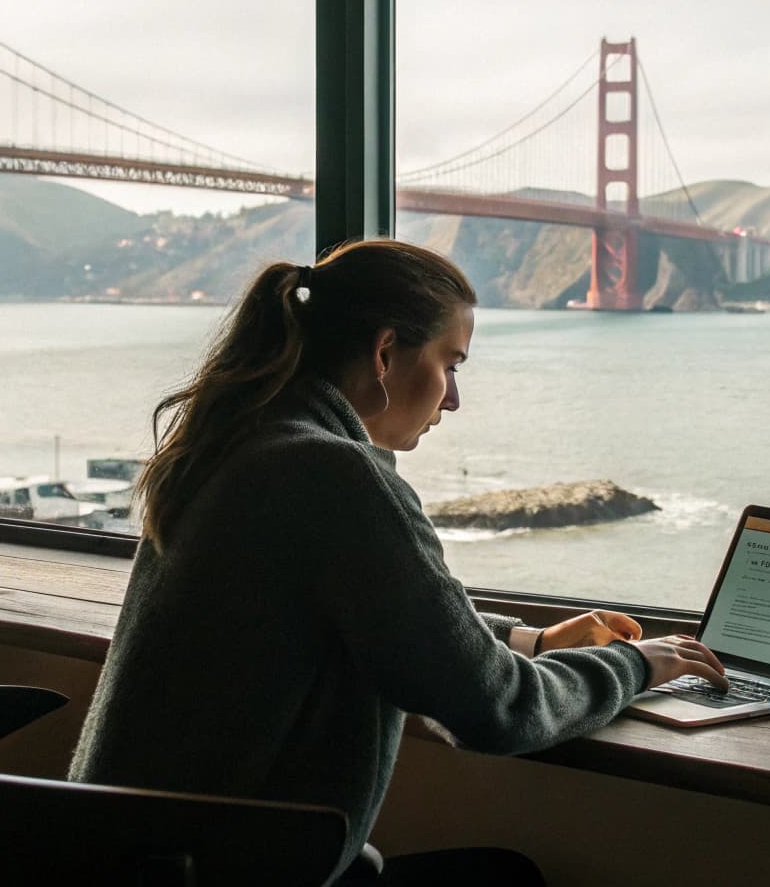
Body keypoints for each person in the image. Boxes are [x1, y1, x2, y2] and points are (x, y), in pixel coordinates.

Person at [69, 240, 727, 885]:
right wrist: (637, 665)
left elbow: (383, 616)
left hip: (127, 855)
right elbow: (494, 709)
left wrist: (531, 639)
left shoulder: (238, 439)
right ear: (386, 352)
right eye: (452, 364)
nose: (454, 399)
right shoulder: (330, 473)